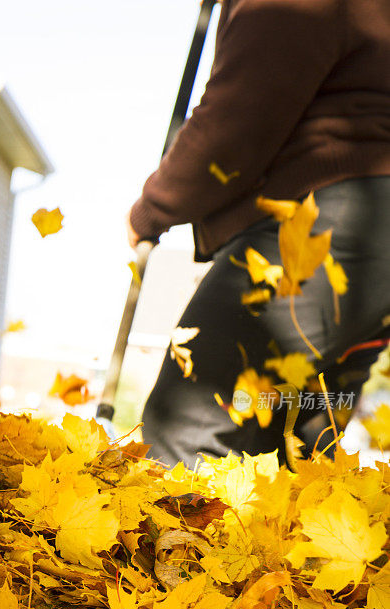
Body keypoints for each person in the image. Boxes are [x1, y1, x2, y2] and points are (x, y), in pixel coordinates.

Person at [127, 0, 390, 468]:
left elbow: (240, 114)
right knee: (297, 462)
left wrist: (156, 206)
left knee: (185, 434)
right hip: (367, 252)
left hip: (325, 228)